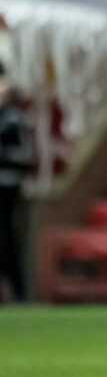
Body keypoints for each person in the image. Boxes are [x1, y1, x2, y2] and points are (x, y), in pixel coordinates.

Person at [0, 62, 32, 303]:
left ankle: (18, 290)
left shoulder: (13, 118)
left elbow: (23, 155)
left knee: (6, 236)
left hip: (7, 185)